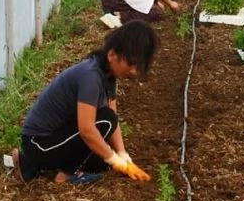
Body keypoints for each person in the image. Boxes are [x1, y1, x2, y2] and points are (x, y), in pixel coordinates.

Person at [11, 21, 158, 185]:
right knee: (105, 124)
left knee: (102, 162)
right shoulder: (90, 76)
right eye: (130, 64)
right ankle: (65, 174)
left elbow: (113, 121)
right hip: (39, 144)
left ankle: (33, 166)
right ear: (112, 55)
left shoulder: (108, 76)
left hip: (57, 138)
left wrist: (123, 155)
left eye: (137, 66)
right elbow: (88, 129)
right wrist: (115, 160)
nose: (133, 71)